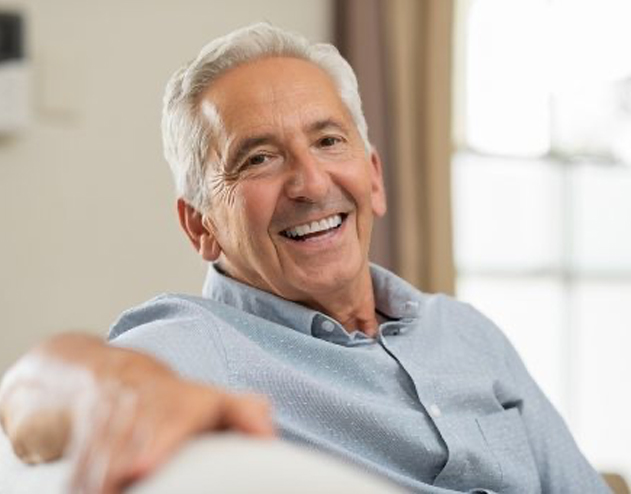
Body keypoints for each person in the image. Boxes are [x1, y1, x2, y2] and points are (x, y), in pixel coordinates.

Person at [0, 23, 611, 494]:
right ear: (201, 226)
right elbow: (27, 394)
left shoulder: (468, 333)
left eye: (328, 140)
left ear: (373, 177)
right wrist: (116, 389)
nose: (312, 183)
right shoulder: (203, 346)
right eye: (258, 158)